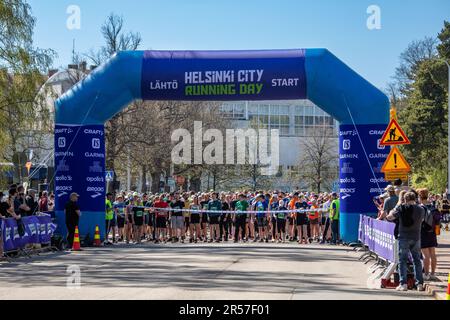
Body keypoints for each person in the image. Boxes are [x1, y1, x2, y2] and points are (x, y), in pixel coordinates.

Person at [387, 192, 425, 291]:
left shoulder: (400, 208)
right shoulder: (421, 209)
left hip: (403, 237)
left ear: (404, 199)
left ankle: (403, 284)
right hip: (416, 237)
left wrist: (392, 211)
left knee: (402, 261)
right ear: (415, 198)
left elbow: (390, 218)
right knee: (417, 260)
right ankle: (419, 284)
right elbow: (421, 220)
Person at [417, 188, 440, 281]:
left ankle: (426, 274)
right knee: (433, 253)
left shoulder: (420, 208)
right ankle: (433, 273)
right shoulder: (433, 207)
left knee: (425, 254)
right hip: (432, 232)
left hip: (423, 232)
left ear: (419, 196)